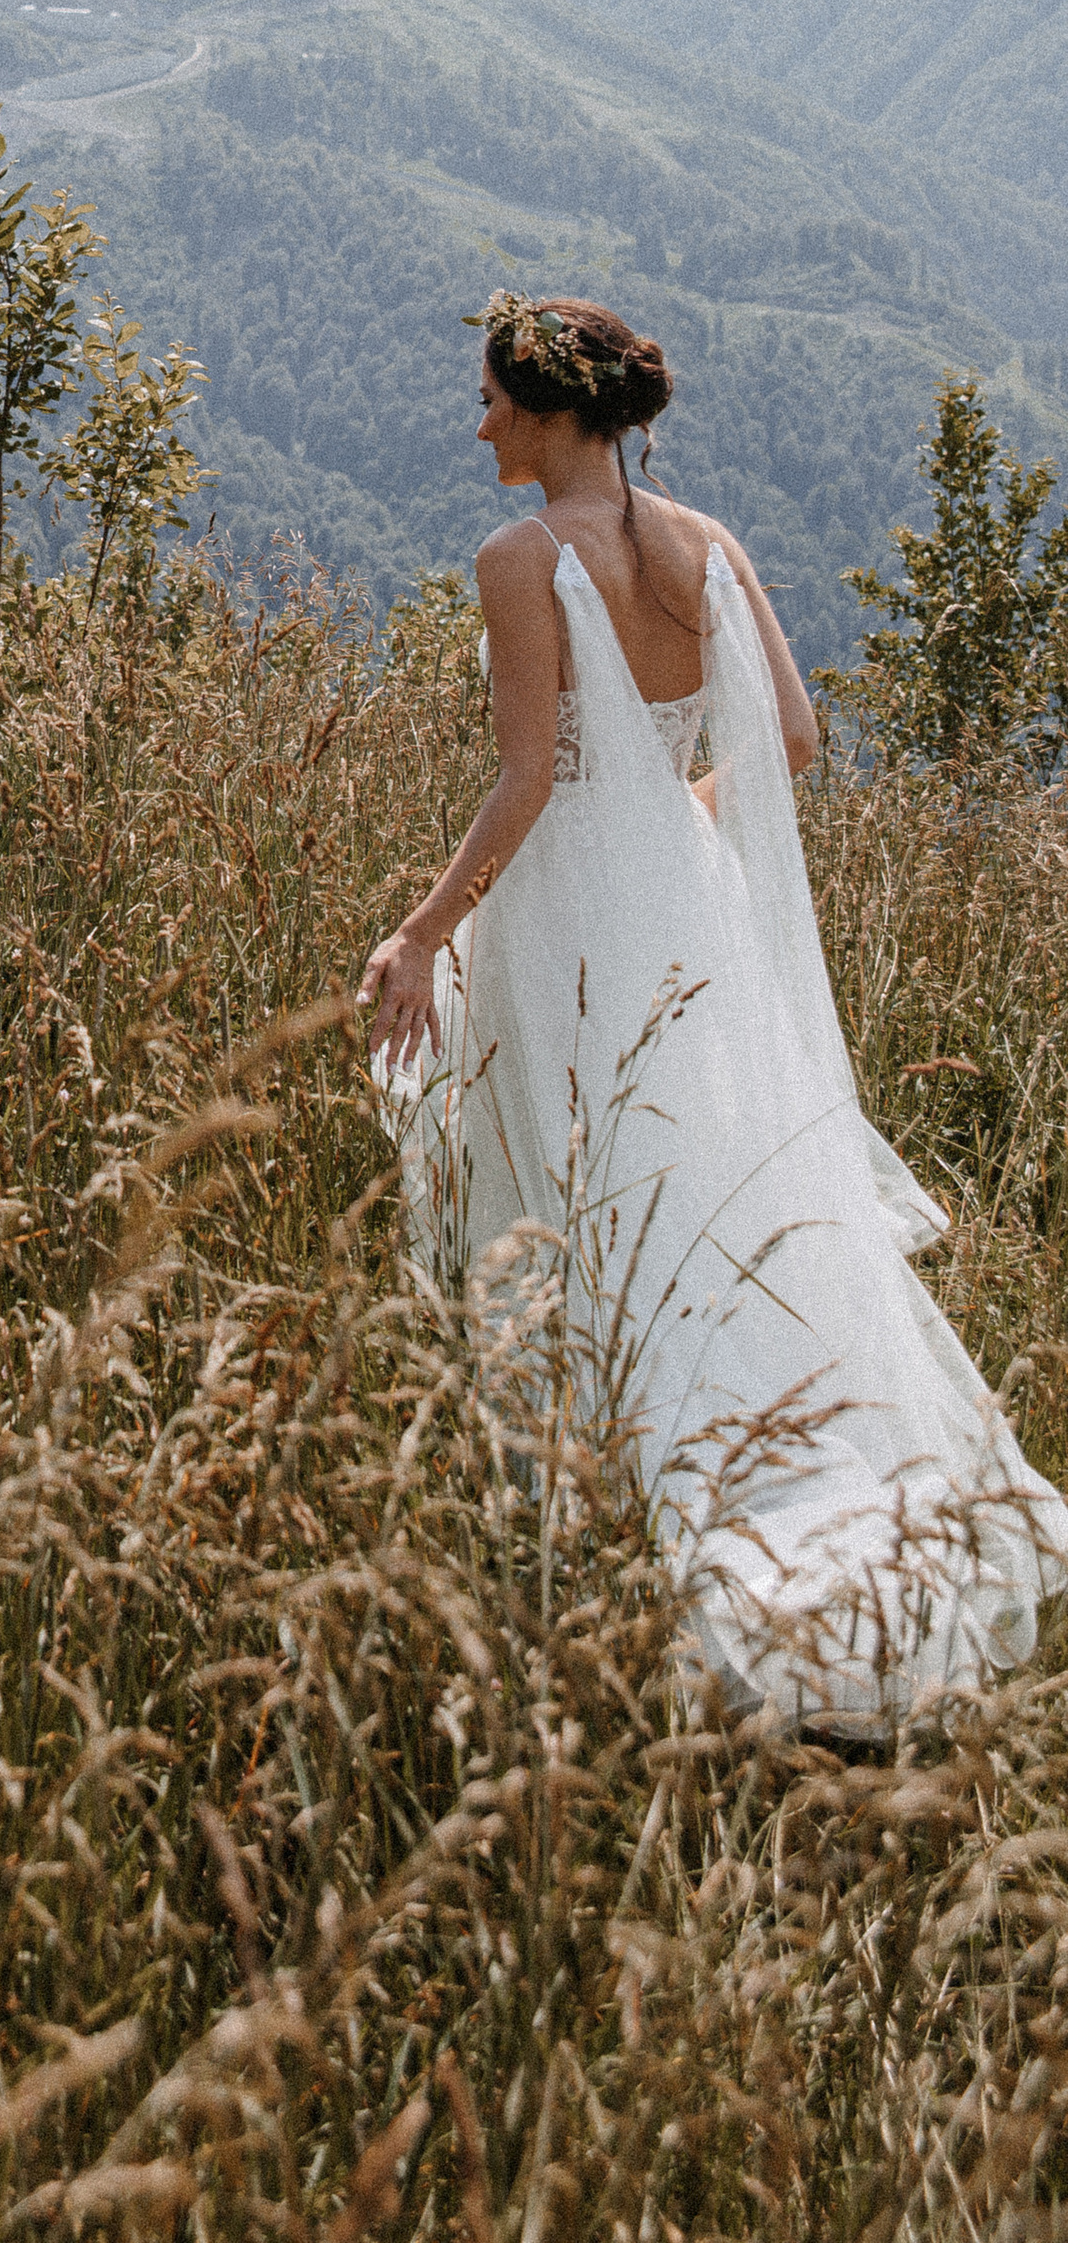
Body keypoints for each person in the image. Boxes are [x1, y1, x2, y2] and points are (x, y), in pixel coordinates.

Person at [359, 289, 1066, 1729]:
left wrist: (419, 934)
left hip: (566, 917)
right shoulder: (711, 550)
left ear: (552, 409)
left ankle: (632, 1522)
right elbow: (793, 742)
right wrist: (666, 823)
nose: (478, 420)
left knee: (574, 1184)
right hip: (688, 909)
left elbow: (525, 779)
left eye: (494, 396)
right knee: (704, 1189)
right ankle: (824, 1496)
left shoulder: (517, 558)